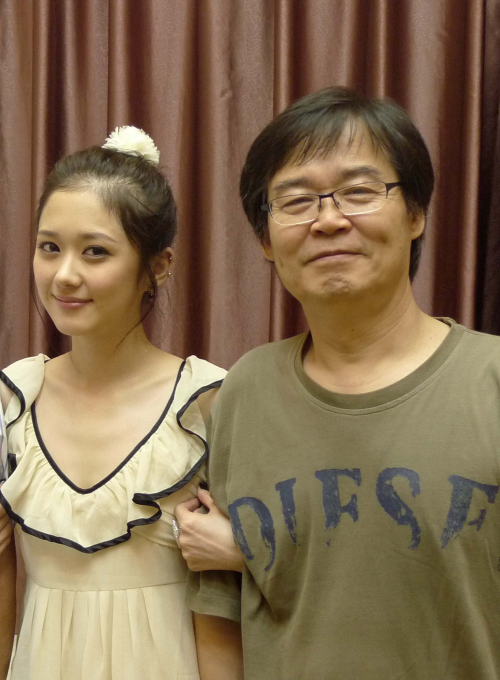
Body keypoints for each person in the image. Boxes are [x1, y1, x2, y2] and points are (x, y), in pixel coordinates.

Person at [176, 87, 500, 680]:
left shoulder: (490, 379)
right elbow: (220, 615)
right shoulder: (246, 390)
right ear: (266, 240)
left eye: (359, 192)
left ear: (416, 214)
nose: (328, 220)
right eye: (296, 201)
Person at [0, 127, 227, 680]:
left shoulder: (207, 402)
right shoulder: (12, 400)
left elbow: (221, 607)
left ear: (160, 265)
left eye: (95, 251)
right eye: (49, 247)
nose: (64, 275)